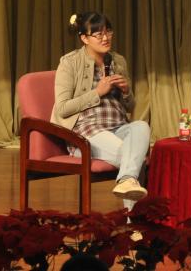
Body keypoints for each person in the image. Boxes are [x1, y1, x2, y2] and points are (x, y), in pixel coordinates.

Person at [52, 11, 150, 209]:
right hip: (87, 133)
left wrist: (126, 91)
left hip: (119, 127)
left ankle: (126, 181)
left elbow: (130, 107)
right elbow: (62, 108)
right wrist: (97, 92)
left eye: (108, 32)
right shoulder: (69, 62)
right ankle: (133, 221)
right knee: (134, 157)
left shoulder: (118, 61)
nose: (105, 38)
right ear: (84, 38)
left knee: (141, 126)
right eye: (98, 34)